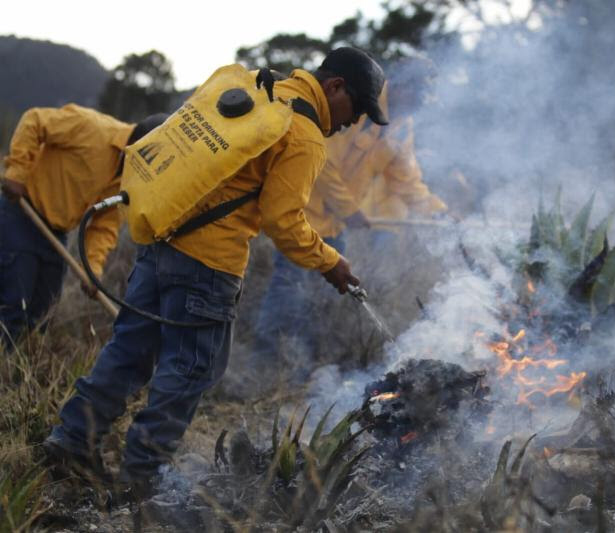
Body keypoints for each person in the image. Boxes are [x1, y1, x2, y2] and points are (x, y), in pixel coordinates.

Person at [43, 47, 388, 495]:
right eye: (357, 107)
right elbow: (283, 222)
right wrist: (330, 262)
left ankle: (70, 440)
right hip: (209, 265)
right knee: (188, 371)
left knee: (129, 350)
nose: (353, 121)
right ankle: (139, 480)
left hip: (161, 240)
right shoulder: (302, 135)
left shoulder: (262, 90)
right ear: (335, 87)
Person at [253, 57, 445, 366]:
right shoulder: (355, 102)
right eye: (419, 95)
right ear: (403, 86)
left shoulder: (400, 127)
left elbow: (406, 179)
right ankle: (263, 361)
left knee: (322, 299)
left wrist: (438, 213)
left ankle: (304, 362)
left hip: (336, 225)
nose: (420, 105)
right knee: (289, 288)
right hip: (306, 214)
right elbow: (323, 162)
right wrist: (350, 209)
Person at [0, 106, 166, 346]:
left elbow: (104, 224)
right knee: (13, 305)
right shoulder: (91, 128)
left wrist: (92, 269)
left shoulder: (130, 178)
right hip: (21, 213)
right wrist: (17, 172)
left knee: (40, 316)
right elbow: (34, 121)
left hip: (55, 235)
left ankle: (18, 373)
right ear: (140, 146)